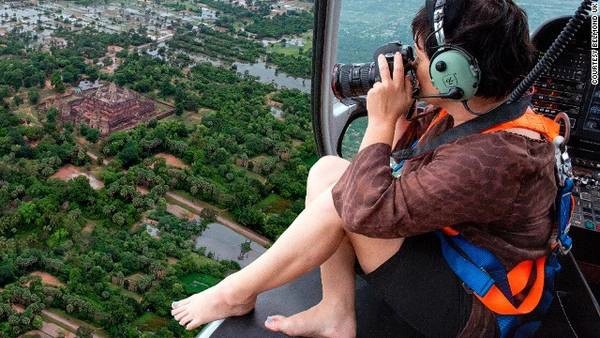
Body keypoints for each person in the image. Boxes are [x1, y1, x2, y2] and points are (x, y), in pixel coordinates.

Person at [171, 1, 556, 337]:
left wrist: (380, 122)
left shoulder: (490, 159)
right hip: (459, 254)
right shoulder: (484, 111)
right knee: (327, 171)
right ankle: (336, 312)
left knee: (342, 197)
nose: (410, 65)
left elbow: (363, 210)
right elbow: (412, 163)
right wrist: (402, 119)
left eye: (419, 59)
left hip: (475, 308)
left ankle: (235, 293)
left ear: (451, 73)